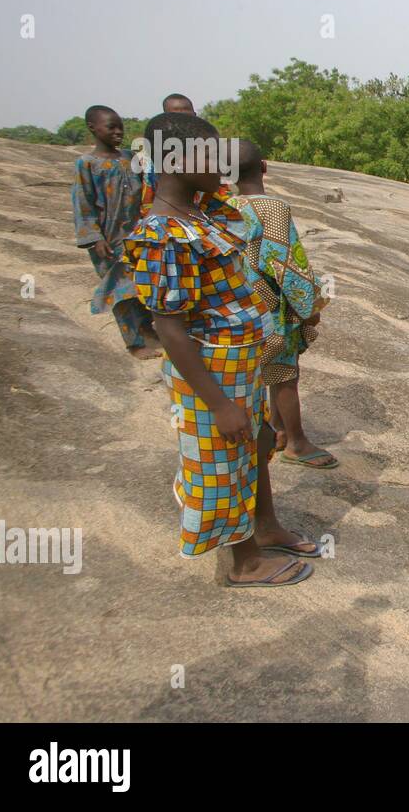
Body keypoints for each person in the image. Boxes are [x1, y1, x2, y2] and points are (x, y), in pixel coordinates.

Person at [124, 112, 319, 586]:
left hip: (242, 361)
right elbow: (169, 328)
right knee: (220, 460)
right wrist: (218, 403)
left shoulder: (206, 213)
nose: (222, 165)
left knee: (257, 444)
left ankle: (266, 525)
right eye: (211, 154)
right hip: (210, 369)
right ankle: (245, 561)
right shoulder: (160, 234)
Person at [226, 140, 337, 469]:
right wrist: (311, 306)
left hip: (241, 307)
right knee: (285, 375)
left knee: (266, 374)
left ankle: (275, 430)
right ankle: (297, 443)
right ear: (263, 166)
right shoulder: (272, 209)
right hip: (271, 310)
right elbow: (288, 265)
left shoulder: (225, 206)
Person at [71, 105, 160, 358]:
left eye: (120, 126)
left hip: (138, 235)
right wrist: (94, 237)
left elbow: (148, 190)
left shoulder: (130, 158)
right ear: (93, 128)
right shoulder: (87, 163)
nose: (118, 131)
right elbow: (83, 202)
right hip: (109, 241)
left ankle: (147, 330)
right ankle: (135, 343)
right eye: (111, 127)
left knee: (144, 285)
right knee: (121, 292)